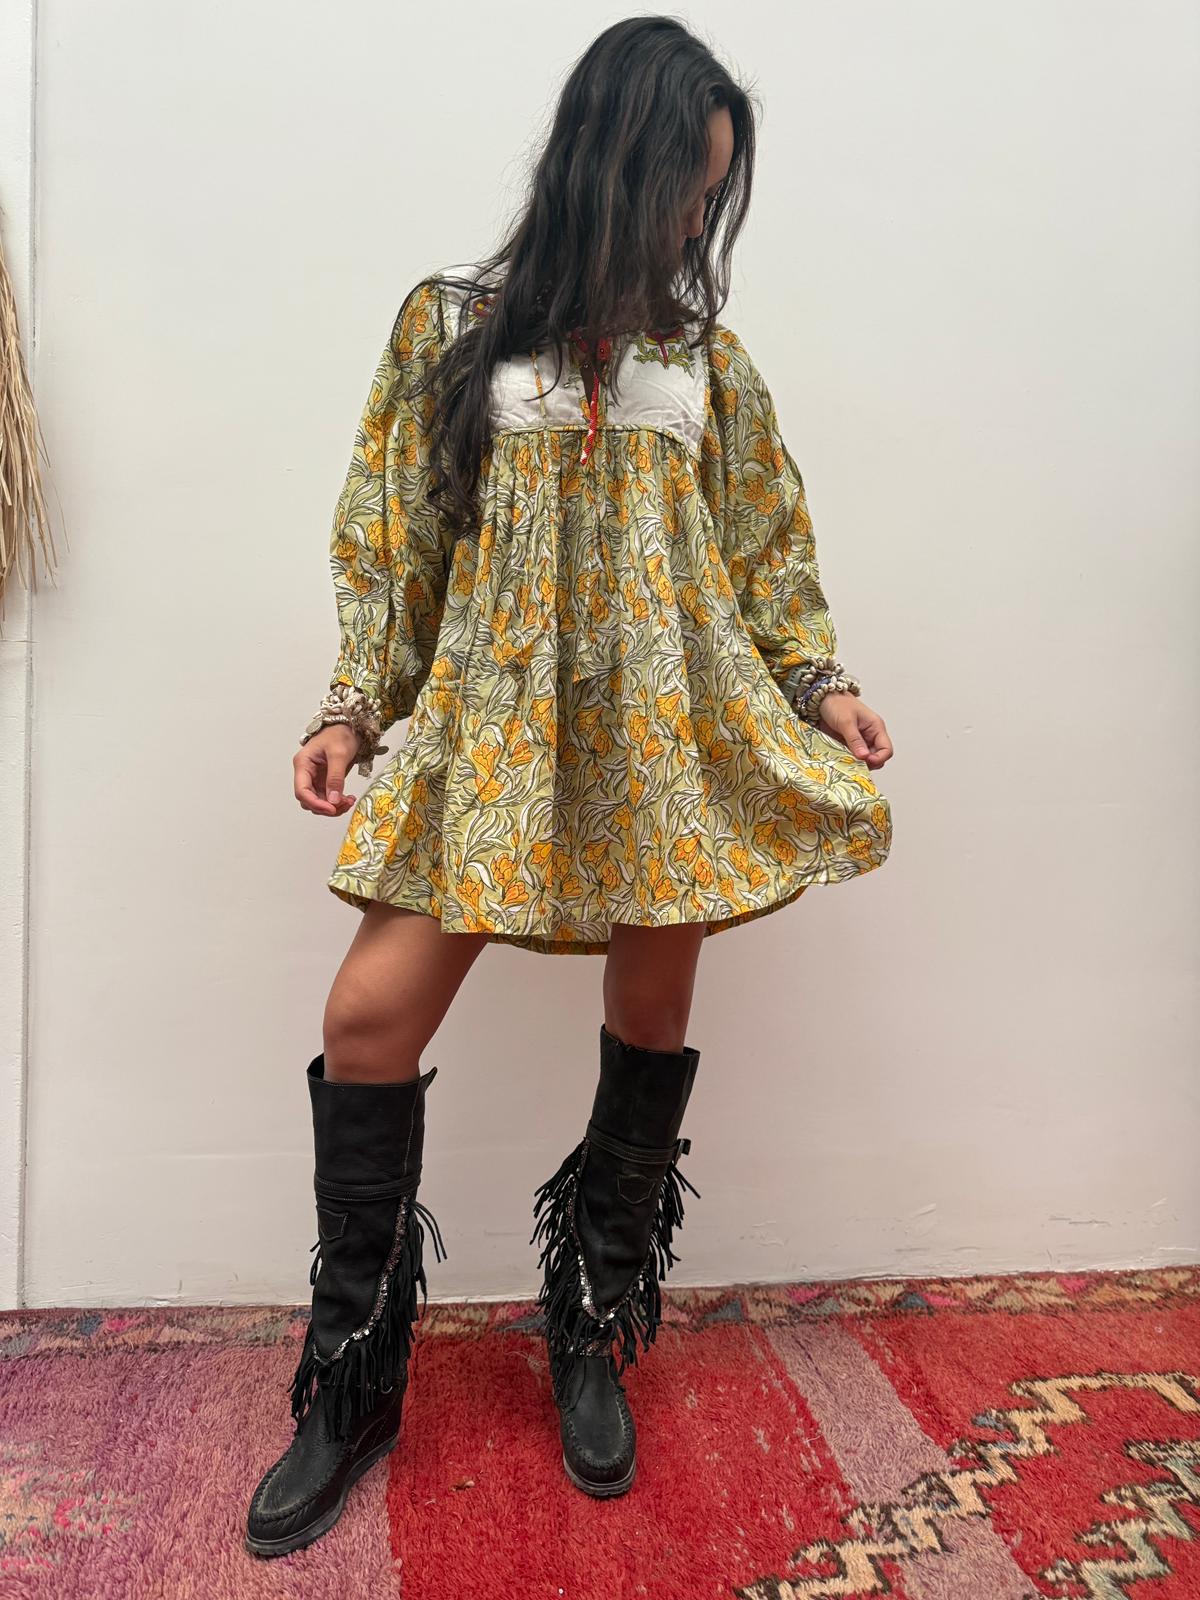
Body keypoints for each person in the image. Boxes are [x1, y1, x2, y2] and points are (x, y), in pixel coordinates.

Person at [245, 14, 894, 1560]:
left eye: (714, 193)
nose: (697, 217)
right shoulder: (452, 327)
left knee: (649, 1023)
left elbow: (764, 547)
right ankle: (352, 1380)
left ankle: (590, 1325)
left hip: (666, 749)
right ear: (617, 159)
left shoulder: (705, 363)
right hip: (492, 736)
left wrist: (820, 684)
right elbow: (395, 534)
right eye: (687, 183)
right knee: (368, 1023)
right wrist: (353, 705)